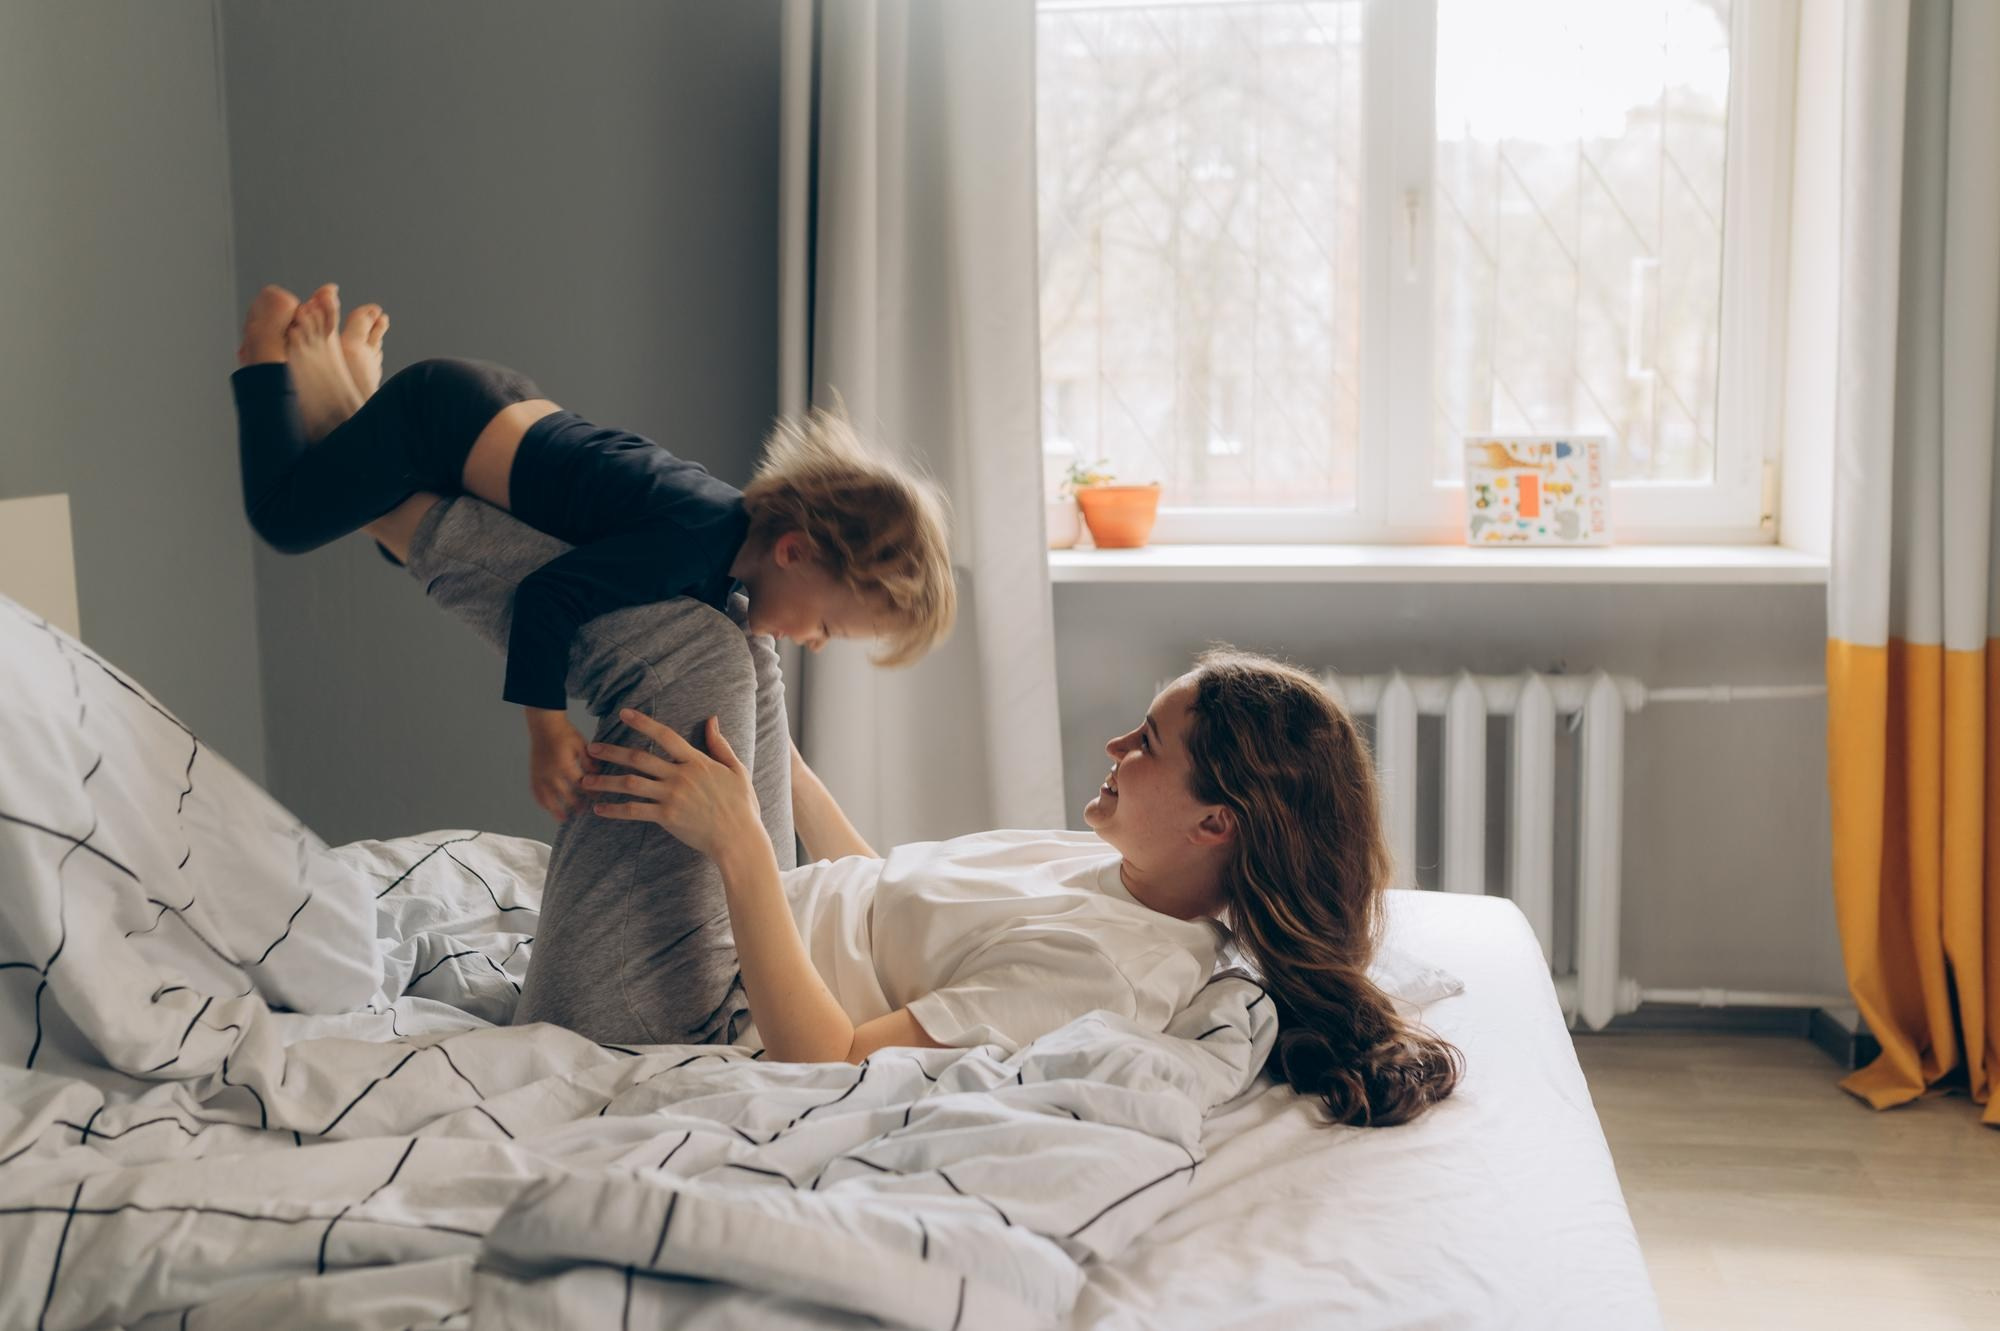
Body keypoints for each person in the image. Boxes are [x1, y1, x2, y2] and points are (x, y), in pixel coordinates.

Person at [254, 290, 1462, 1128]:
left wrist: (734, 838)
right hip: (752, 917)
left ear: (1218, 822)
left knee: (682, 644)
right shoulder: (1107, 871)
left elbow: (826, 1057)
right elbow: (875, 892)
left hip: (673, 1007)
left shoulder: (1107, 967)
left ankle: (382, 488)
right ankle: (383, 464)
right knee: (729, 635)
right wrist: (761, 768)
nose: (1114, 745)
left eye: (1150, 744)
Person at [230, 282, 954, 821]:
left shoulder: (721, 542)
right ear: (793, 551)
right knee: (286, 518)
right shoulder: (694, 541)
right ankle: (268, 353)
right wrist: (547, 729)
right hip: (438, 425)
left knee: (400, 539)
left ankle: (353, 398)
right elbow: (549, 595)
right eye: (828, 626)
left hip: (487, 416)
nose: (818, 645)